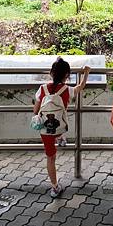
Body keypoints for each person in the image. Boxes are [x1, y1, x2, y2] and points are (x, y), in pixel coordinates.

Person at [33, 58, 90, 198]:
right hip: (60, 126)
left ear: (51, 73)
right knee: (61, 126)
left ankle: (54, 187)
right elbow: (81, 86)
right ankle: (61, 137)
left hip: (45, 129)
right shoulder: (67, 90)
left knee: (51, 157)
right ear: (67, 75)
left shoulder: (42, 89)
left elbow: (35, 110)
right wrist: (86, 73)